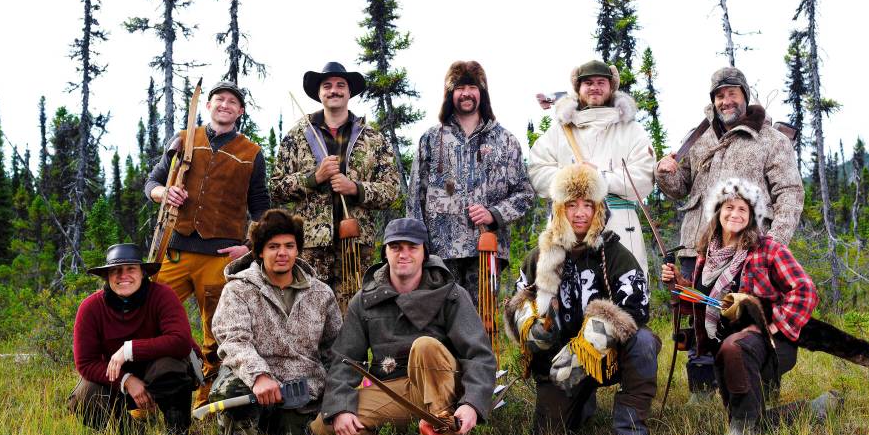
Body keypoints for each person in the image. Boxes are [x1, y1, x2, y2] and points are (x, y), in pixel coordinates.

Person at [654, 66, 803, 397]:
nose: (725, 100)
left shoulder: (771, 140)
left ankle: (755, 393)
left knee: (746, 320)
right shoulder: (700, 136)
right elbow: (681, 187)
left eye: (732, 93)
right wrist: (665, 174)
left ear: (745, 96)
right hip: (698, 246)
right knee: (697, 323)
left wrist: (772, 247)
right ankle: (702, 395)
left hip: (748, 250)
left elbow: (790, 194)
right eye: (719, 95)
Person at [660, 178, 838, 435]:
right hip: (727, 348)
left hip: (773, 344)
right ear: (718, 212)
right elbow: (703, 303)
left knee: (735, 348)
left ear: (752, 216)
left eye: (743, 209)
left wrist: (774, 325)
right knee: (755, 415)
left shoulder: (768, 250)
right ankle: (814, 409)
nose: (735, 214)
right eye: (729, 207)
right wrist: (679, 285)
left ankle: (740, 432)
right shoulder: (706, 256)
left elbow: (805, 291)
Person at [311, 218, 497, 435]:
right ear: (385, 252)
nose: (403, 254)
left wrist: (471, 404)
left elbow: (479, 356)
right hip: (396, 390)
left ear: (424, 253)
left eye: (412, 247)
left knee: (424, 346)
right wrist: (340, 408)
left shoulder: (451, 294)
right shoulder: (365, 299)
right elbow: (344, 360)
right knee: (323, 426)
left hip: (447, 387)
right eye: (396, 247)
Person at [504, 164, 660, 435]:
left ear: (598, 210)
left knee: (644, 342)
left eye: (588, 204)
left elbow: (638, 308)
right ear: (559, 208)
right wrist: (530, 326)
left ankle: (630, 434)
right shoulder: (538, 257)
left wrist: (593, 338)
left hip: (607, 356)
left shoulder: (614, 253)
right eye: (572, 204)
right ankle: (580, 400)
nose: (580, 213)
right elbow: (517, 301)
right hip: (558, 361)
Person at [145, 79, 270, 405]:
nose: (225, 105)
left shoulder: (252, 153)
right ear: (208, 105)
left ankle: (206, 404)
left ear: (240, 111)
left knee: (216, 334)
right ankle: (147, 400)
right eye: (219, 99)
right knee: (149, 319)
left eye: (232, 101)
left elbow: (261, 208)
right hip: (173, 251)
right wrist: (164, 193)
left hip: (220, 256)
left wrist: (250, 247)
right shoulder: (185, 140)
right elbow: (152, 183)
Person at [209, 209, 342, 435]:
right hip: (252, 386)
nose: (282, 253)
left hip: (302, 391)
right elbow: (234, 340)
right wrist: (259, 375)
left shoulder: (321, 293)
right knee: (234, 391)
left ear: (297, 250)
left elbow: (335, 350)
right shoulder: (239, 290)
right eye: (273, 246)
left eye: (289, 246)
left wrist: (337, 395)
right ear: (259, 251)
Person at [270, 62, 401, 312]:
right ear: (319, 93)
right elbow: (276, 188)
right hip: (310, 243)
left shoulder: (372, 138)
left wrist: (355, 188)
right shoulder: (298, 135)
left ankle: (348, 353)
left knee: (352, 310)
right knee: (308, 310)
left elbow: (391, 190)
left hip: (355, 242)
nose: (334, 91)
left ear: (349, 92)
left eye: (341, 85)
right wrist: (313, 178)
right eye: (327, 86)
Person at [407, 60, 535, 303]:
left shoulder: (505, 141)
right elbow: (415, 199)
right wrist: (416, 247)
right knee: (441, 322)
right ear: (449, 94)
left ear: (482, 92)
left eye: (472, 87)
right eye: (459, 87)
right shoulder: (431, 140)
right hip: (440, 253)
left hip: (486, 249)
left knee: (481, 325)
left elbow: (525, 194)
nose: (466, 93)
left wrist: (493, 214)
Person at [528, 60, 655, 273]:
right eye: (588, 82)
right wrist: (571, 178)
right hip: (568, 227)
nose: (595, 87)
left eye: (601, 82)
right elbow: (538, 170)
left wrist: (600, 178)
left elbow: (644, 177)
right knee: (563, 292)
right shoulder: (559, 131)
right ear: (578, 88)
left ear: (611, 87)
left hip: (621, 227)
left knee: (624, 292)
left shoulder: (632, 131)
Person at [68, 243, 198, 435]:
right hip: (120, 382)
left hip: (163, 375)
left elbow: (180, 341)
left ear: (143, 273)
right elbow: (85, 363)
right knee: (83, 397)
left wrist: (129, 350)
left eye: (131, 269)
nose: (123, 275)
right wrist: (127, 380)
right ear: (107, 276)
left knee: (168, 367)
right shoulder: (91, 307)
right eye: (116, 270)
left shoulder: (162, 295)